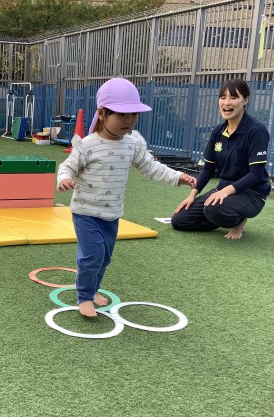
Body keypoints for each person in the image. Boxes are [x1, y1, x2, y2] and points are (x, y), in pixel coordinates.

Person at [57, 78, 197, 317]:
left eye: (133, 115)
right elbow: (67, 166)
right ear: (102, 113)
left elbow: (151, 167)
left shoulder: (132, 145)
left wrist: (178, 177)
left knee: (104, 258)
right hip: (86, 212)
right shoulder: (87, 145)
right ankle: (85, 296)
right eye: (121, 115)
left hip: (112, 215)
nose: (128, 120)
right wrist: (64, 179)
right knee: (92, 256)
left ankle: (93, 290)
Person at [171, 79, 271, 240]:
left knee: (214, 209)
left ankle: (238, 221)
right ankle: (220, 216)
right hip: (223, 191)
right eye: (223, 97)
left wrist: (225, 192)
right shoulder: (218, 132)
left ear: (245, 100)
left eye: (234, 97)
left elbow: (255, 174)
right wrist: (192, 195)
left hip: (251, 193)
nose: (227, 102)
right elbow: (208, 168)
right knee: (179, 220)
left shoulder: (256, 131)